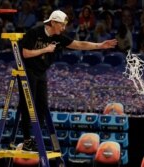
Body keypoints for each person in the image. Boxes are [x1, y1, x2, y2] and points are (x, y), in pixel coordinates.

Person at [18, 10, 117, 151]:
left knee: (42, 106)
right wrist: (46, 49)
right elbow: (26, 54)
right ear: (53, 22)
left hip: (41, 72)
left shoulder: (58, 38)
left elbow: (79, 44)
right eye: (62, 25)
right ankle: (27, 140)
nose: (64, 28)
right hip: (28, 72)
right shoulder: (35, 32)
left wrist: (99, 46)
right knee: (28, 106)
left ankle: (35, 139)